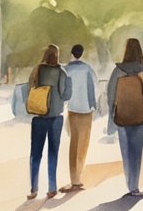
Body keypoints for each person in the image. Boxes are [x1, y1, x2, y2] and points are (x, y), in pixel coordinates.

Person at [108, 38, 143, 199]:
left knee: (126, 152)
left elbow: (110, 96)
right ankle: (134, 187)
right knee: (136, 152)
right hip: (140, 116)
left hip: (122, 116)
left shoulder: (117, 71)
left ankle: (129, 184)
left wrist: (112, 116)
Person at [25, 45, 72, 200]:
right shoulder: (61, 72)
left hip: (38, 116)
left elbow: (29, 88)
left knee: (35, 153)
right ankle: (52, 187)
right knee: (53, 153)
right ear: (57, 55)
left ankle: (33, 188)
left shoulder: (37, 70)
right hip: (55, 118)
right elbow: (66, 95)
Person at [61, 44, 97, 193]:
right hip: (87, 110)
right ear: (83, 54)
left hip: (73, 109)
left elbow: (64, 90)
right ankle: (78, 177)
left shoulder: (67, 69)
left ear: (71, 53)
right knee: (84, 144)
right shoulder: (88, 69)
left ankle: (74, 179)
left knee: (74, 143)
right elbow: (94, 87)